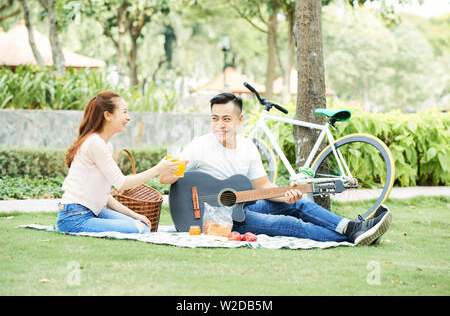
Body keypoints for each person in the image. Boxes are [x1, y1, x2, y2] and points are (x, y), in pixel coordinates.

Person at [160, 92, 392, 245]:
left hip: (244, 205)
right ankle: (353, 236)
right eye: (214, 118)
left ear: (240, 121)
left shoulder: (248, 147)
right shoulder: (199, 145)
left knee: (300, 204)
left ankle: (351, 227)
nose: (220, 125)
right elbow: (167, 177)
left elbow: (264, 187)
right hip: (221, 220)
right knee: (288, 225)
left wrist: (286, 195)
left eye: (226, 119)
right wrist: (170, 173)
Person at [57, 91, 183, 234]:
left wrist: (134, 215)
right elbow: (121, 183)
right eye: (124, 112)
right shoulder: (95, 143)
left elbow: (104, 196)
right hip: (74, 217)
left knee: (140, 224)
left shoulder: (105, 145)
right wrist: (158, 169)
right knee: (140, 229)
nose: (128, 118)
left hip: (91, 211)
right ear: (107, 115)